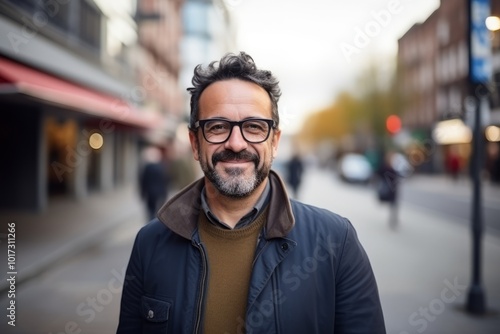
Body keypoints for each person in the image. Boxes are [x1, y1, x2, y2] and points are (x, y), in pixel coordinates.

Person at [117, 52, 386, 334]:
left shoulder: (336, 243)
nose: (235, 143)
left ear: (275, 141)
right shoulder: (149, 244)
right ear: (195, 143)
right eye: (218, 127)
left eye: (254, 127)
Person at [138, 146, 169, 221]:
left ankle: (151, 222)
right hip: (160, 192)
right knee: (159, 210)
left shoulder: (147, 168)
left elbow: (143, 181)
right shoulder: (162, 167)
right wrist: (165, 193)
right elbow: (166, 180)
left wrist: (142, 193)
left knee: (151, 210)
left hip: (150, 192)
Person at [376, 151, 400, 230]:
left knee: (394, 205)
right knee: (393, 205)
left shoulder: (395, 166)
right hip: (388, 189)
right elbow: (378, 174)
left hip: (393, 190)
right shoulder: (385, 167)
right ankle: (393, 221)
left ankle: (393, 220)